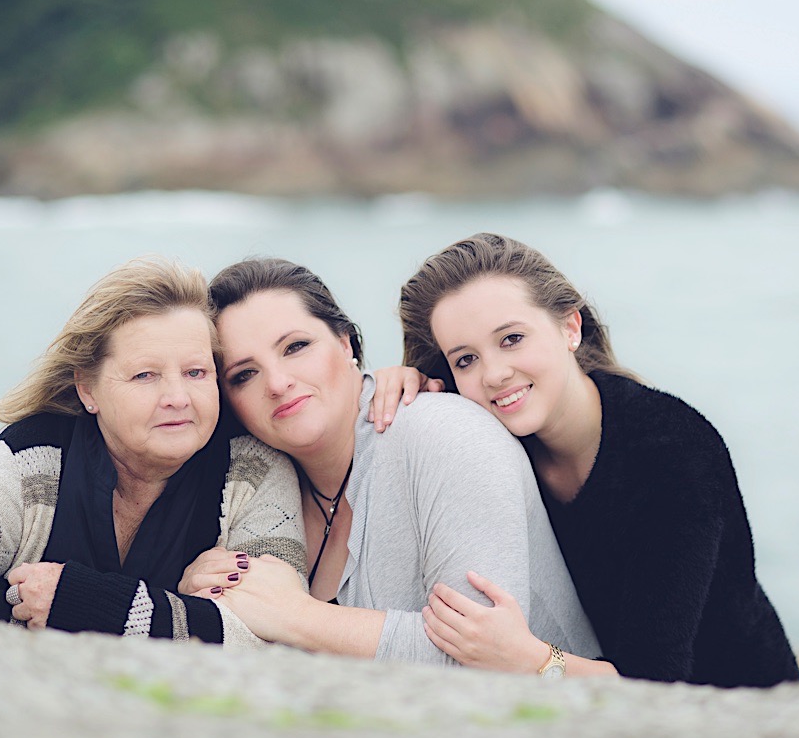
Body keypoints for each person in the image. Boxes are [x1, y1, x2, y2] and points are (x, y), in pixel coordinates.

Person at [397, 233, 799, 687]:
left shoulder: (673, 452)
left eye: (511, 338)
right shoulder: (494, 429)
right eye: (465, 359)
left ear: (571, 328)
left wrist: (527, 658)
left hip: (739, 708)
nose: (493, 374)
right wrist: (404, 386)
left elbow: (654, 682)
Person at [0, 257, 308, 645]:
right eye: (145, 376)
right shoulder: (34, 456)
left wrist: (90, 606)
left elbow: (278, 633)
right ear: (87, 388)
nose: (178, 397)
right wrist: (32, 608)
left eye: (195, 372)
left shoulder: (254, 468)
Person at [179, 257, 600, 669]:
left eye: (296, 347)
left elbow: (477, 662)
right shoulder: (257, 483)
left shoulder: (446, 434)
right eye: (244, 375)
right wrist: (203, 596)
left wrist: (294, 614)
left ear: (346, 343)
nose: (277, 382)